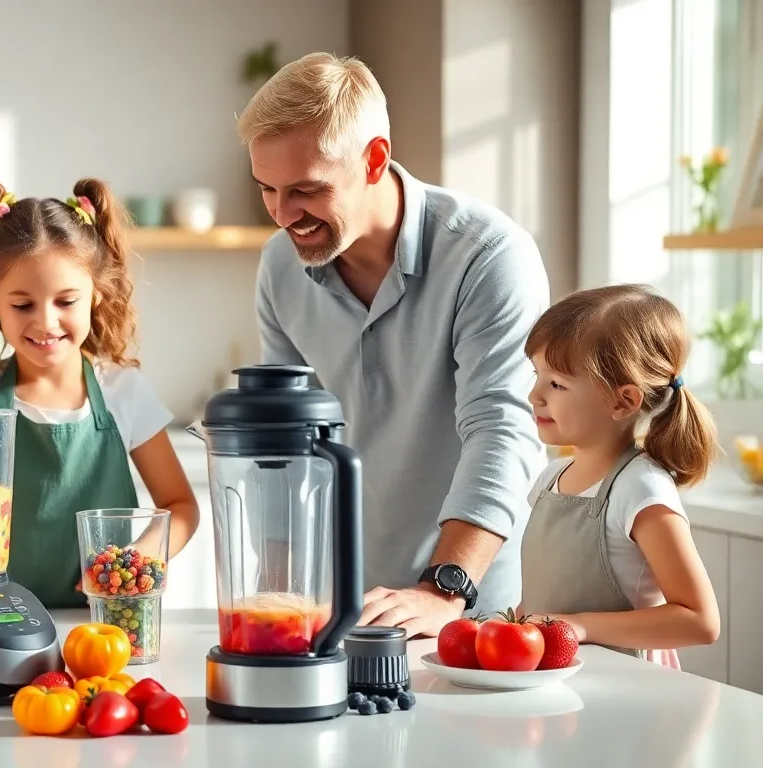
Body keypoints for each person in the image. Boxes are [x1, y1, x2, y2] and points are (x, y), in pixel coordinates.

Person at [242, 51, 549, 635]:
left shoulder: (488, 256)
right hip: (335, 606)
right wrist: (276, 594)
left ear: (375, 160)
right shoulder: (279, 267)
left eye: (306, 189)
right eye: (267, 189)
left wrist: (443, 590)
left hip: (465, 610)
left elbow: (503, 429)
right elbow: (282, 440)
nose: (284, 215)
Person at [0, 179, 199, 610]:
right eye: (22, 305)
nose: (45, 322)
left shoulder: (123, 393)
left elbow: (181, 505)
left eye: (66, 301)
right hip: (2, 622)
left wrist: (143, 555)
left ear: (97, 294)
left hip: (106, 625)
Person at [520, 284, 720, 667]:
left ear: (622, 400)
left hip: (630, 691)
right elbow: (547, 602)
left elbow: (700, 621)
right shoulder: (549, 479)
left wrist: (579, 627)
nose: (535, 395)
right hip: (560, 684)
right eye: (537, 375)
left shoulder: (641, 488)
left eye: (557, 383)